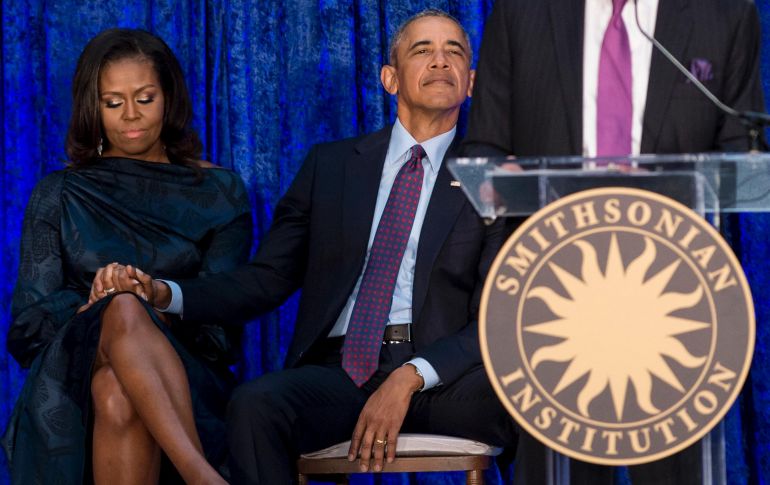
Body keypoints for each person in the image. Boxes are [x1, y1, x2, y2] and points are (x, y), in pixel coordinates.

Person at [93, 10, 519, 485]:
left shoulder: (492, 174)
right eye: (423, 50)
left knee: (532, 397)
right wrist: (163, 293)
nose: (440, 62)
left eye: (454, 51)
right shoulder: (332, 166)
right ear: (390, 78)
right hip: (344, 376)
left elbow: (496, 314)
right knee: (256, 405)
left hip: (445, 383)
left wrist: (412, 375)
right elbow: (266, 279)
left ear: (472, 81)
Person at [463, 0, 765, 484]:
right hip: (553, 296)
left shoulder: (723, 13)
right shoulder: (522, 12)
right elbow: (484, 147)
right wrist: (501, 177)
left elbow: (740, 153)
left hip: (675, 299)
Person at [1, 28, 252, 485]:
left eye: (145, 98)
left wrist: (153, 296)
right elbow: (26, 330)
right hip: (69, 380)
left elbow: (222, 330)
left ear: (169, 98)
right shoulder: (58, 193)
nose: (130, 116)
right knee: (117, 307)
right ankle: (203, 476)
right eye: (112, 103)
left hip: (186, 383)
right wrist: (92, 306)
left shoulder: (219, 193)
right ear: (91, 107)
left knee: (117, 388)